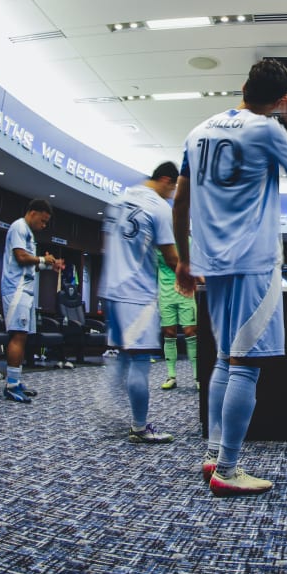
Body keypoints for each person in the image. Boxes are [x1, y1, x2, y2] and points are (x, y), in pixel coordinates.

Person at [174, 58, 287, 497]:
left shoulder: (197, 132)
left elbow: (180, 202)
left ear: (242, 86)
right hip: (254, 263)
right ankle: (228, 470)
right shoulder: (268, 129)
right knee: (246, 366)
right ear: (277, 101)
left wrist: (183, 259)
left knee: (223, 360)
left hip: (211, 262)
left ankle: (215, 455)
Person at [102, 162, 181, 442]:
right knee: (139, 360)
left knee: (124, 354)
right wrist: (194, 277)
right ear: (165, 180)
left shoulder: (119, 199)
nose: (172, 195)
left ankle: (109, 400)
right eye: (173, 189)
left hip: (111, 291)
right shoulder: (158, 207)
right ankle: (139, 427)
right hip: (136, 295)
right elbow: (171, 257)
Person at [1, 199, 63, 403]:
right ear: (33, 213)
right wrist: (44, 259)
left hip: (26, 290)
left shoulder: (29, 234)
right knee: (17, 335)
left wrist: (47, 265)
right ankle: (10, 385)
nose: (43, 226)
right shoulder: (19, 226)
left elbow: (31, 266)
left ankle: (16, 381)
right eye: (43, 221)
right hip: (15, 289)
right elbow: (20, 257)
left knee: (23, 336)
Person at [157, 244, 197, 390]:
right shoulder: (159, 242)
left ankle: (197, 376)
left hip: (185, 291)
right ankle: (171, 376)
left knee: (190, 332)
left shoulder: (189, 240)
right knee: (169, 333)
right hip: (166, 294)